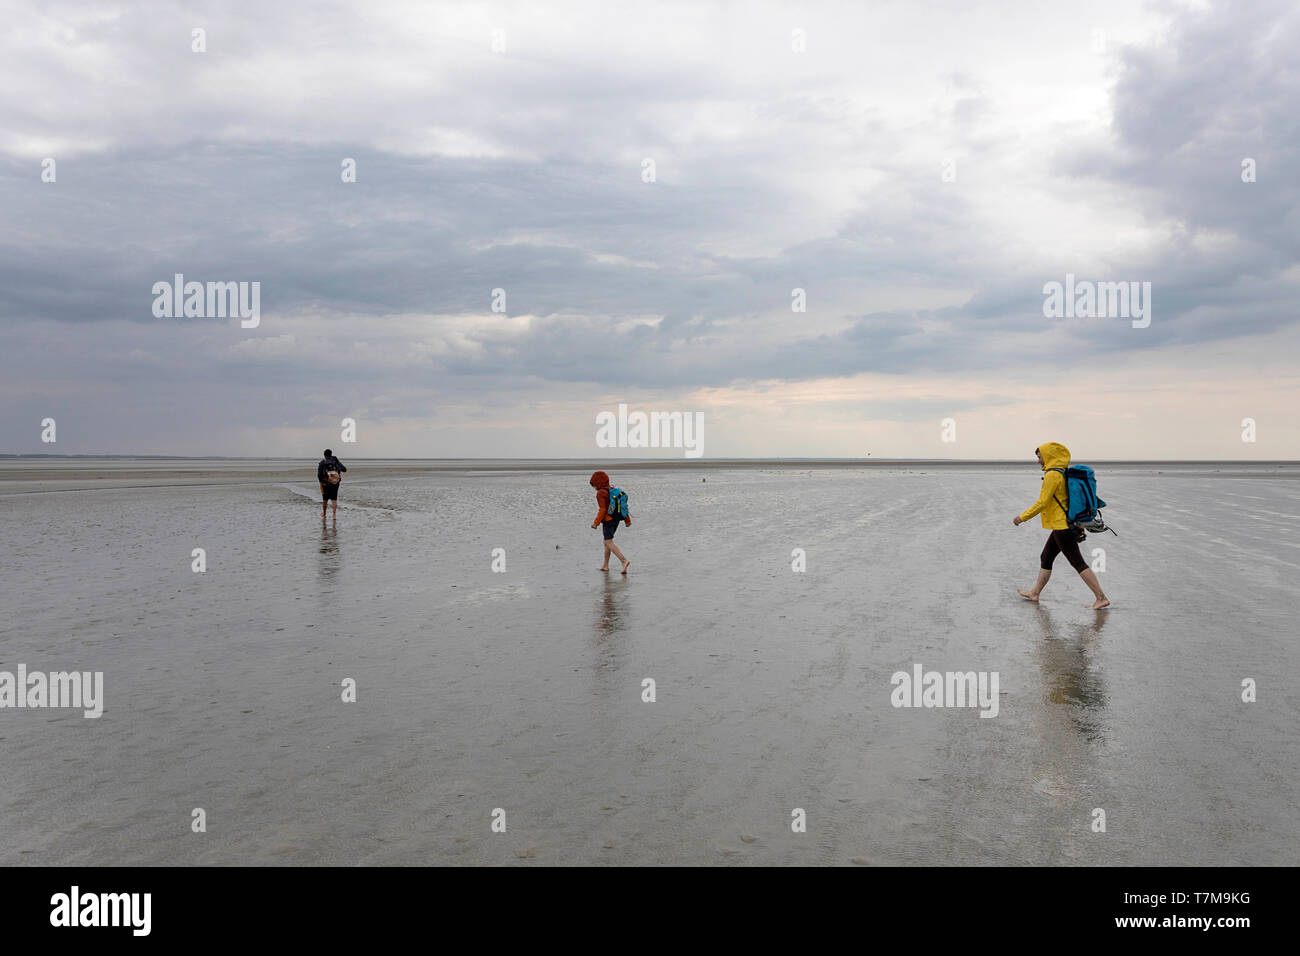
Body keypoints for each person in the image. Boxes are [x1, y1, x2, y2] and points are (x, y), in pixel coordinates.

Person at [1013, 442, 1110, 609]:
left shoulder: (1052, 475)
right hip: (1065, 524)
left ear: (1048, 456)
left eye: (1040, 457)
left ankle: (1101, 598)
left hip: (1063, 526)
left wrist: (1022, 518)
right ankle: (1035, 593)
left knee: (1077, 562)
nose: (1038, 461)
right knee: (1046, 556)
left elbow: (1043, 502)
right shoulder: (1061, 472)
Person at [589, 470, 630, 574]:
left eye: (593, 485)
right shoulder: (612, 489)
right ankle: (605, 565)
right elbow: (622, 505)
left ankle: (624, 561)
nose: (594, 487)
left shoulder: (600, 493)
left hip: (608, 521)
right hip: (616, 519)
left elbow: (602, 510)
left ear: (597, 482)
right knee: (607, 541)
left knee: (608, 542)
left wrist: (596, 523)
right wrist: (627, 519)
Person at [317, 449, 347, 518]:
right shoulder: (335, 461)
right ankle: (334, 516)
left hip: (326, 483)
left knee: (325, 499)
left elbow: (319, 475)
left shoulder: (322, 462)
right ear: (331, 454)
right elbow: (344, 469)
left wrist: (322, 482)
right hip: (335, 483)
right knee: (334, 499)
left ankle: (324, 514)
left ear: (324, 455)